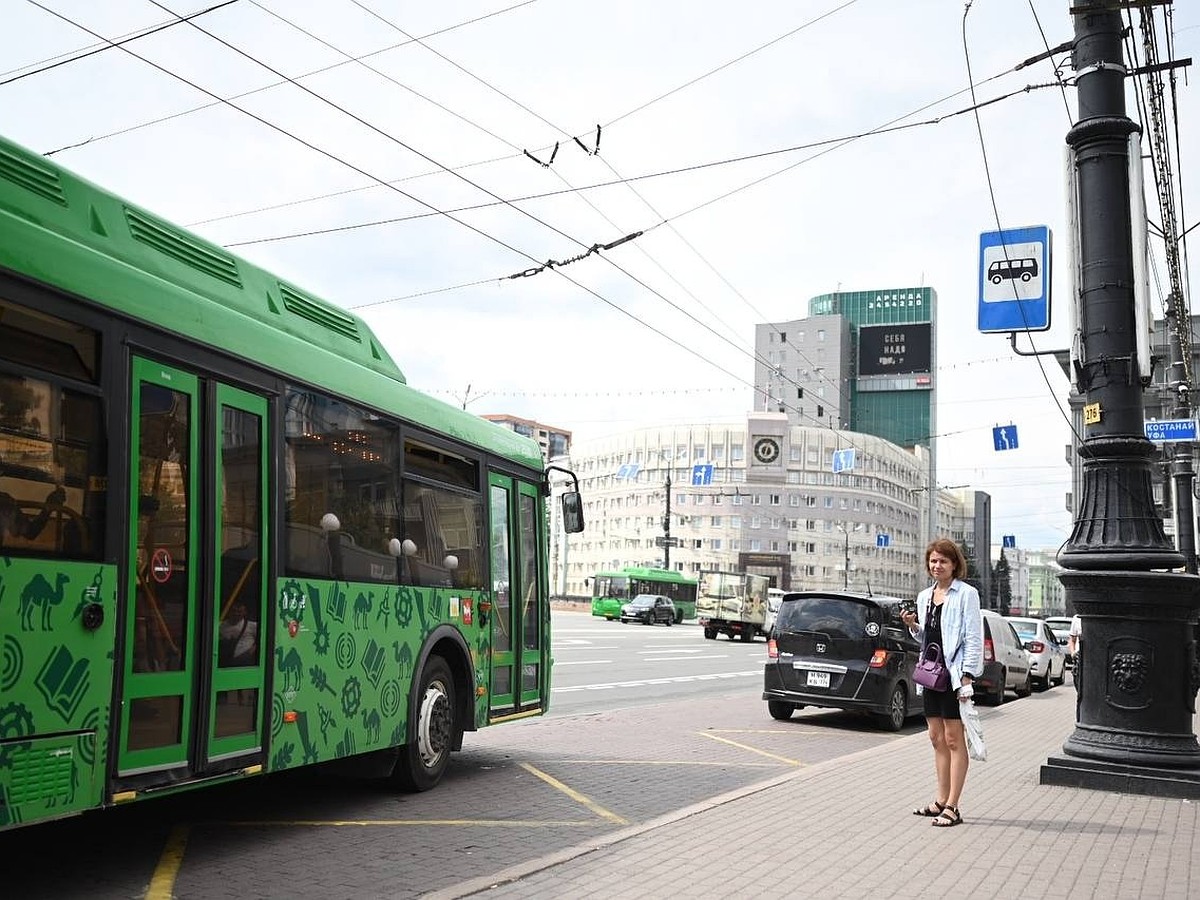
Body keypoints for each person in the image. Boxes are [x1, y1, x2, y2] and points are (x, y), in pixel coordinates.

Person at [900, 538, 983, 828]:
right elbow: (929, 638)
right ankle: (940, 800)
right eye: (933, 561)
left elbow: (973, 637)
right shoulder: (925, 597)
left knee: (953, 739)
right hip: (930, 674)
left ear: (954, 564)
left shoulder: (966, 594)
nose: (937, 566)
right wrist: (913, 626)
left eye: (943, 561)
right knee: (936, 738)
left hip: (953, 676)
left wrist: (968, 677)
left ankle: (953, 806)